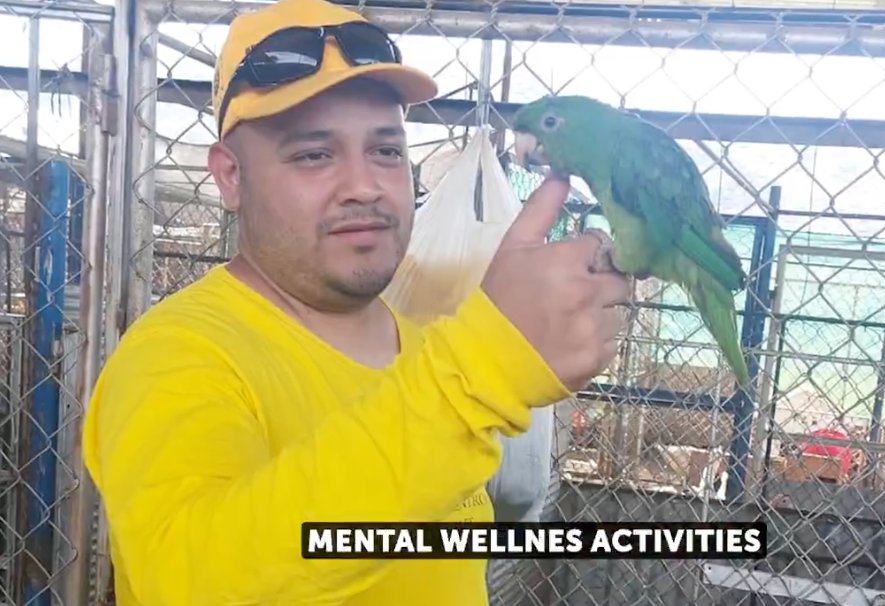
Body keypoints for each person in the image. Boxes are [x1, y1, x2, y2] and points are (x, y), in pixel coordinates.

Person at [80, 0, 631, 604]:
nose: (365, 185)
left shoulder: (426, 352)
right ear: (230, 176)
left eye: (386, 151)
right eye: (314, 154)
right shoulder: (178, 356)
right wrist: (481, 370)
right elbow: (201, 581)